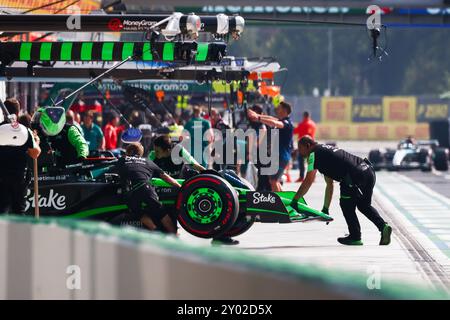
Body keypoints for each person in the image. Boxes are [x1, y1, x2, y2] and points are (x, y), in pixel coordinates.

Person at [291, 135, 392, 246]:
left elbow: (308, 181)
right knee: (364, 206)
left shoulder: (314, 154)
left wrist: (294, 200)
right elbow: (329, 184)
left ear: (308, 146)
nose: (300, 153)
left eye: (300, 149)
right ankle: (383, 227)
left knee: (346, 205)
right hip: (368, 171)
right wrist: (325, 209)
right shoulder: (325, 152)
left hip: (353, 176)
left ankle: (355, 237)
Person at [149, 135, 239, 245]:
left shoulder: (179, 150)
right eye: (154, 150)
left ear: (168, 150)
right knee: (169, 229)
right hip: (164, 190)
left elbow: (195, 164)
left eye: (158, 151)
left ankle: (221, 235)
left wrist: (212, 178)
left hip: (183, 185)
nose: (155, 153)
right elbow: (145, 170)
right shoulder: (153, 155)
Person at [110, 142, 181, 233]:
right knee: (161, 212)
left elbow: (111, 172)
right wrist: (180, 187)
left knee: (138, 212)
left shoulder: (122, 160)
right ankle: (174, 234)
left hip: (131, 191)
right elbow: (166, 178)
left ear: (128, 151)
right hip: (146, 188)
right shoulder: (147, 161)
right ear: (141, 153)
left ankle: (155, 230)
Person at [0, 98, 41, 214]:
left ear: (3, 112)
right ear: (18, 113)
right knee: (19, 212)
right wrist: (36, 141)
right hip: (19, 178)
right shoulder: (24, 131)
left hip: (2, 178)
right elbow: (35, 153)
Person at [247, 101, 293, 192]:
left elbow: (274, 123)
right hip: (278, 156)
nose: (277, 110)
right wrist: (257, 116)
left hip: (281, 156)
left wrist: (258, 117)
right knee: (274, 180)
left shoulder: (286, 123)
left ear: (284, 111)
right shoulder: (282, 120)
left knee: (273, 181)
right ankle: (283, 200)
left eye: (279, 108)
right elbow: (271, 118)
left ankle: (280, 203)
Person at [293, 111, 317, 182]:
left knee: (301, 162)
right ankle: (313, 178)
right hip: (312, 146)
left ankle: (301, 177)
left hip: (303, 147)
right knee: (311, 162)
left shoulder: (302, 124)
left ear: (304, 116)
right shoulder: (313, 124)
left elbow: (295, 131)